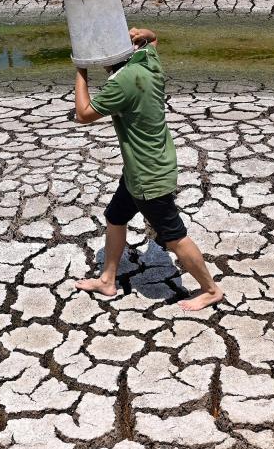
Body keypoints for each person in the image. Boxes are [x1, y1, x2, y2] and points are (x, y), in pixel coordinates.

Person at [72, 27, 223, 311]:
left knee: (174, 236)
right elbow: (153, 40)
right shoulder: (147, 61)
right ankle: (107, 279)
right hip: (145, 167)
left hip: (147, 177)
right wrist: (146, 33)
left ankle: (211, 289)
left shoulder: (123, 83)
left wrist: (80, 69)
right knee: (116, 217)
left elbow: (83, 114)